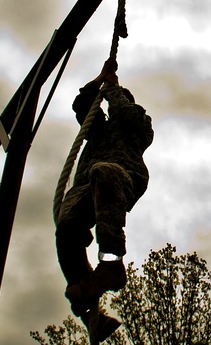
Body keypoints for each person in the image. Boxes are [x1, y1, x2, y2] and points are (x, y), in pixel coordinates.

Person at [55, 72, 154, 342]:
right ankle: (87, 307)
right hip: (88, 186)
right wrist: (98, 80)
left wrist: (113, 89)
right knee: (66, 227)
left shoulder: (140, 124)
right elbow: (82, 106)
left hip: (122, 177)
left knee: (104, 171)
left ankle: (111, 263)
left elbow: (125, 113)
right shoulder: (99, 129)